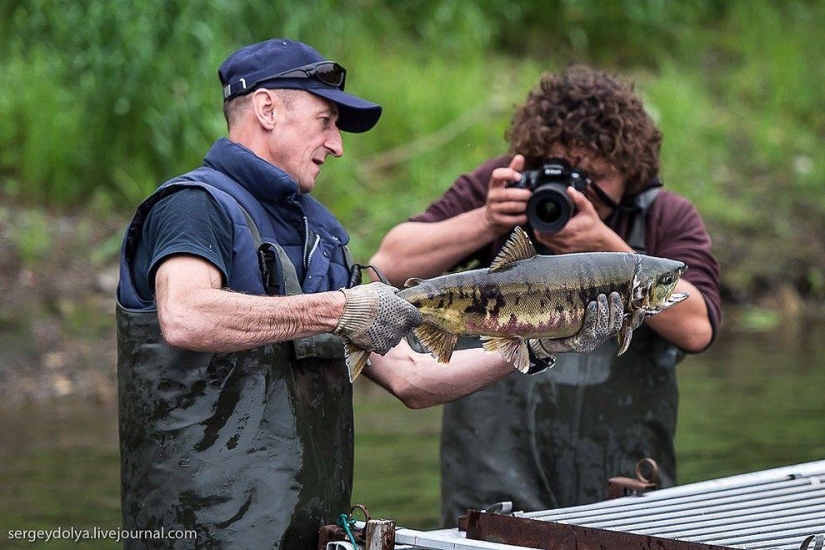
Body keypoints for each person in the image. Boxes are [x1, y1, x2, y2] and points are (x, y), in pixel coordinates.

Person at [115, 41, 623, 549]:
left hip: (311, 535)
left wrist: (538, 345)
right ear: (267, 109)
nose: (337, 145)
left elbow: (413, 376)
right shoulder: (192, 206)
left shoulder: (321, 238)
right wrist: (340, 309)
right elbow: (185, 315)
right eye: (325, 121)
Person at [370, 65, 722, 526]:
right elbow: (389, 263)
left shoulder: (666, 216)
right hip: (492, 485)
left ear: (631, 172)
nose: (576, 192)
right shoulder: (509, 185)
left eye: (596, 177)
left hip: (620, 484)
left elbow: (698, 328)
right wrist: (486, 221)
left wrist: (607, 249)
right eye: (567, 173)